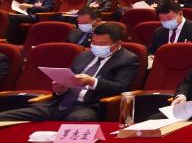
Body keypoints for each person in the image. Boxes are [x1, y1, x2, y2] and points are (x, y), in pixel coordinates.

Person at [0, 23, 139, 122]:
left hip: (89, 106)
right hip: (59, 104)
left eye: (102, 44)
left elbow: (120, 87)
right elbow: (70, 79)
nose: (96, 46)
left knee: (76, 120)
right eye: (94, 42)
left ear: (117, 43)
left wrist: (92, 81)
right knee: (5, 117)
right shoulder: (84, 55)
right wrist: (60, 89)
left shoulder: (127, 59)